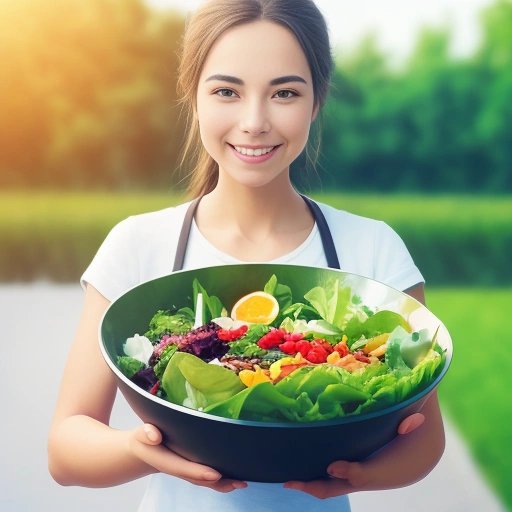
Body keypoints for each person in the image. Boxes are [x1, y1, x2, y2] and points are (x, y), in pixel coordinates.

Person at [48, 1, 445, 510]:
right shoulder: (136, 245)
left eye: (284, 93)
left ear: (316, 101)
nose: (254, 122)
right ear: (193, 97)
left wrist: (355, 472)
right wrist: (141, 448)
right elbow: (66, 447)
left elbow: (424, 442)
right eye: (226, 92)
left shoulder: (373, 249)